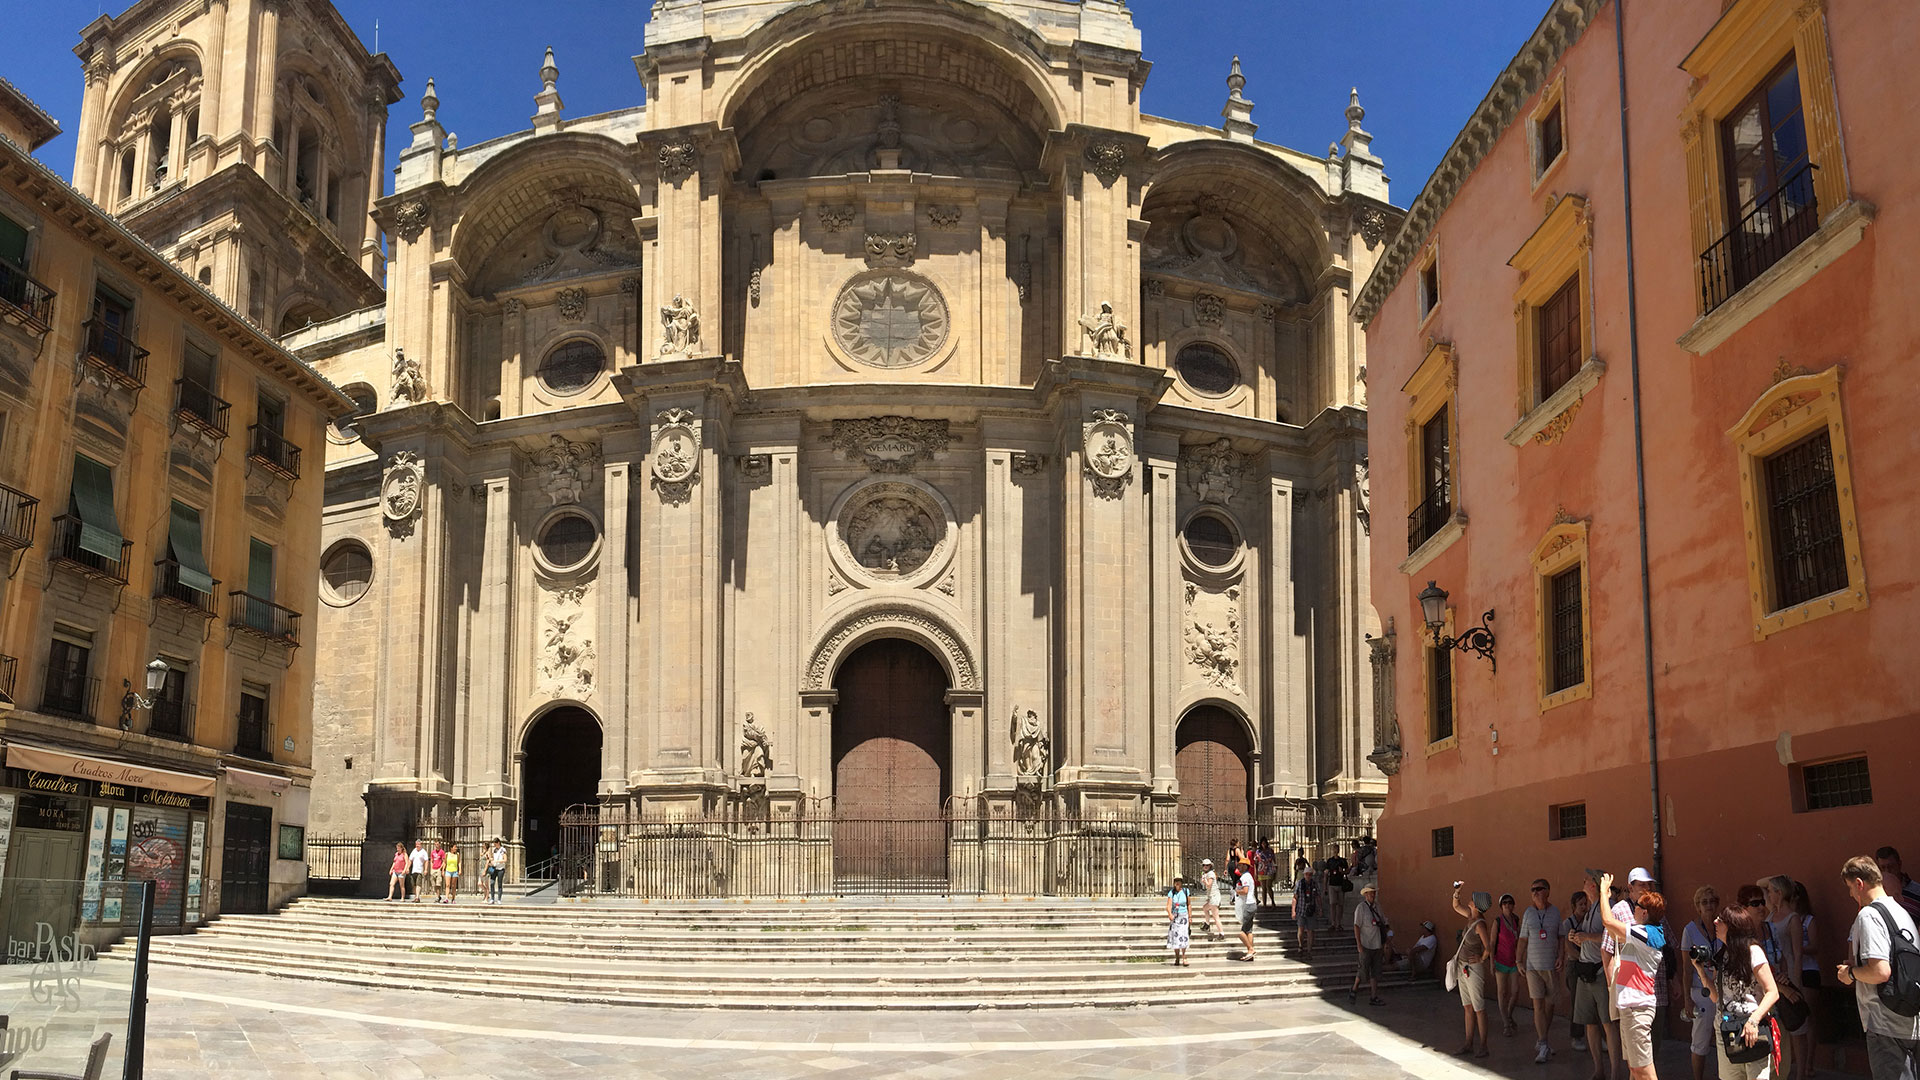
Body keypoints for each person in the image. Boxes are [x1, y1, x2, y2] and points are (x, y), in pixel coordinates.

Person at [1836, 855, 1920, 1080]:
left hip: (1885, 1023)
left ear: (1859, 884)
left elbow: (1881, 971)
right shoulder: (1902, 913)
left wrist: (1850, 973)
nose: (1851, 895)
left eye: (1850, 888)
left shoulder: (1869, 914)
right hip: (1911, 1017)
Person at [1691, 902, 1781, 1080]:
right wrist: (1701, 971)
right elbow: (1717, 998)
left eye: (1721, 920)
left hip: (1752, 1029)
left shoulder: (1753, 952)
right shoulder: (1722, 955)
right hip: (1726, 1030)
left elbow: (1772, 992)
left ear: (1733, 927)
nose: (1715, 921)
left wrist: (1754, 1021)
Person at [1596, 871, 1666, 1080]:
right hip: (1630, 1008)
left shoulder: (1645, 934)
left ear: (1644, 913)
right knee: (1635, 1070)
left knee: (1645, 1070)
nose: (1633, 907)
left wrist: (1603, 892)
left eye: (1638, 906)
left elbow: (1608, 921)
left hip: (1638, 1010)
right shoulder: (1640, 929)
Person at [1759, 874, 1812, 1075]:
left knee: (1797, 1026)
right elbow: (1759, 883)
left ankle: (1801, 1074)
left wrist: (1796, 983)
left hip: (1788, 974)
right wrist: (1781, 879)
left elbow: (1798, 954)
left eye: (1772, 891)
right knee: (1781, 1025)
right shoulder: (1771, 915)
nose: (1768, 894)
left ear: (1779, 893)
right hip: (1774, 972)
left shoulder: (1793, 918)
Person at [1568, 885, 1622, 1080]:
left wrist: (1588, 937)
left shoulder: (1608, 907)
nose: (1584, 885)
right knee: (1589, 1023)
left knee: (1609, 1024)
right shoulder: (1591, 908)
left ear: (1596, 885)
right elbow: (1589, 938)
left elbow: (1614, 935)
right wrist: (1577, 938)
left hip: (1601, 972)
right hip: (1585, 971)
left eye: (1588, 881)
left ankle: (1615, 1073)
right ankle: (1599, 1070)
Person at [1678, 886, 1725, 1080]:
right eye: (1704, 902)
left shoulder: (1723, 927)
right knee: (1700, 1042)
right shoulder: (1689, 930)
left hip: (1723, 991)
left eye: (1712, 902)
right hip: (1701, 992)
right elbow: (1686, 968)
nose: (1708, 906)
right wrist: (1687, 999)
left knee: (1725, 1038)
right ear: (1698, 906)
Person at [1519, 877, 1566, 1063]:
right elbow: (1523, 939)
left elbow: (1561, 937)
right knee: (1537, 1005)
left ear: (1547, 891)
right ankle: (1543, 1043)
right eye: (1532, 890)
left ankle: (1543, 1038)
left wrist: (1561, 956)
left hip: (1550, 966)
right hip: (1533, 967)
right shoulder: (1528, 913)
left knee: (1550, 1005)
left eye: (1539, 889)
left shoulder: (1555, 912)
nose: (1535, 893)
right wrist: (1518, 960)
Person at [1451, 885, 1495, 1058]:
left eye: (1473, 899)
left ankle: (1483, 1045)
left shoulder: (1480, 924)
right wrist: (1456, 892)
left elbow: (1488, 947)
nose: (1470, 899)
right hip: (1463, 967)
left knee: (1479, 1008)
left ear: (1476, 905)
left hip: (1473, 969)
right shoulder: (1470, 916)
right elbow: (1455, 906)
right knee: (1468, 1007)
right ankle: (1468, 1043)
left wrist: (1481, 959)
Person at [1351, 883, 1388, 1006]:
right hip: (1366, 943)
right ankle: (1354, 988)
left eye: (1374, 892)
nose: (1373, 895)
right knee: (1363, 969)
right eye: (1371, 892)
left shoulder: (1378, 907)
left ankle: (1373, 996)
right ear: (1366, 894)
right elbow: (1356, 926)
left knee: (1375, 972)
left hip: (1377, 944)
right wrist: (1359, 944)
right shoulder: (1361, 908)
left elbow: (1384, 921)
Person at [1492, 892, 1523, 1037]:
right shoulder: (1497, 921)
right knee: (1502, 992)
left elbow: (1521, 940)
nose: (1508, 905)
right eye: (1504, 903)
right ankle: (1506, 1023)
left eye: (1510, 902)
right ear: (1501, 906)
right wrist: (1491, 961)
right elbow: (1492, 943)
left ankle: (1509, 1015)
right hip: (1501, 960)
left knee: (1515, 991)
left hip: (1514, 960)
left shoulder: (1516, 919)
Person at [1874, 847, 1920, 921]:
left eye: (1891, 866)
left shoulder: (1917, 891)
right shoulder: (1875, 893)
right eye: (1883, 867)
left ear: (1899, 864)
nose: (1887, 870)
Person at [1292, 863, 1320, 960]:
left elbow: (1317, 896)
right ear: (1304, 875)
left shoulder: (1314, 884)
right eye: (1307, 874)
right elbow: (1295, 897)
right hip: (1301, 909)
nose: (1308, 876)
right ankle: (1300, 945)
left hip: (1311, 910)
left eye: (1310, 874)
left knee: (1310, 931)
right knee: (1301, 929)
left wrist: (1319, 908)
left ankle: (1309, 950)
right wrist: (1293, 911)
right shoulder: (1300, 883)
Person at [1233, 857, 1258, 961]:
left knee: (1241, 932)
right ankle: (1250, 952)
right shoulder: (1247, 876)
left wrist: (1237, 891)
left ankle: (1250, 949)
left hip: (1248, 904)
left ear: (1244, 866)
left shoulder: (1245, 877)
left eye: (1240, 865)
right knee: (1249, 930)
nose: (1238, 866)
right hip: (1252, 904)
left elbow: (1246, 890)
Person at [1166, 876, 1191, 966]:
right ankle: (1177, 957)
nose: (1177, 883)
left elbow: (1189, 904)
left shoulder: (1185, 891)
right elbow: (1168, 905)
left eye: (1179, 881)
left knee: (1184, 937)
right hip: (1175, 917)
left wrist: (1190, 916)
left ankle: (1184, 957)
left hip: (1183, 916)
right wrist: (1170, 914)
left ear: (1181, 882)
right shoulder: (1171, 893)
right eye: (1176, 881)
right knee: (1175, 938)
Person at [1197, 859, 1224, 941]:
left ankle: (1221, 933)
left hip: (1214, 897)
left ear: (1210, 866)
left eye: (1207, 865)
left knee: (1216, 916)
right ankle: (1207, 924)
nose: (1205, 866)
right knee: (1205, 908)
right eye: (1204, 865)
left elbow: (1209, 885)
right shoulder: (1207, 874)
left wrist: (1204, 881)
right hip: (1212, 897)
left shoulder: (1211, 874)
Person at [1325, 847, 1352, 926]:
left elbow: (1348, 871)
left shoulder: (1342, 861)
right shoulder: (1329, 861)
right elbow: (1326, 874)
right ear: (1332, 850)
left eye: (1336, 849)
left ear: (1339, 850)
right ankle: (1333, 922)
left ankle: (1339, 923)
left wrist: (1342, 872)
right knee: (1332, 904)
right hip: (1332, 884)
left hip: (1340, 884)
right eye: (1334, 849)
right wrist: (1325, 887)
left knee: (1340, 905)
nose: (1335, 850)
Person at [1253, 839, 1276, 908]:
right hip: (1261, 870)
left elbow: (1274, 861)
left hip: (1269, 870)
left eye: (1265, 843)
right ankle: (1264, 904)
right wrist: (1256, 873)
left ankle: (1272, 901)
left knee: (1268, 886)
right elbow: (1255, 863)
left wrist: (1275, 870)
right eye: (1262, 843)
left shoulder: (1270, 851)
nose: (1264, 845)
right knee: (1263, 888)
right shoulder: (1258, 851)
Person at [487, 838, 508, 905]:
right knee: (492, 883)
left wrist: (497, 861)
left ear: (498, 843)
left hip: (500, 868)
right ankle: (492, 898)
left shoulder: (503, 850)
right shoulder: (494, 850)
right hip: (494, 868)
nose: (494, 845)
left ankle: (499, 899)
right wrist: (491, 859)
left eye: (495, 844)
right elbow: (493, 857)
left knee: (499, 884)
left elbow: (505, 860)